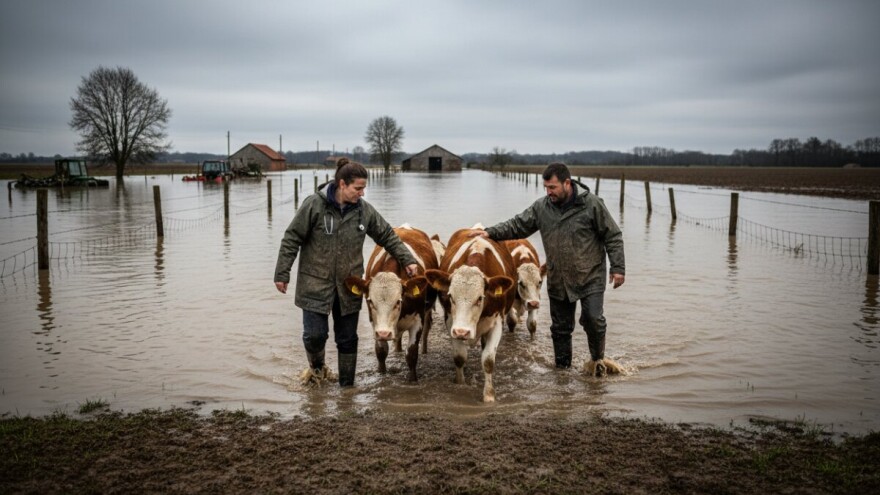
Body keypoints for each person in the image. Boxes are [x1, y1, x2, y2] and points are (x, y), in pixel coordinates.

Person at [274, 158, 419, 387]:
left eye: (363, 188)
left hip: (348, 285)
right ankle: (317, 372)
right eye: (358, 188)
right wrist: (282, 273)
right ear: (342, 184)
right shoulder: (314, 205)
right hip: (314, 284)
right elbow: (292, 238)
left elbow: (387, 236)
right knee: (314, 336)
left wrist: (407, 259)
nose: (362, 193)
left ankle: (347, 388)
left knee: (348, 339)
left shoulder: (364, 211)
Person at [471, 162, 625, 376]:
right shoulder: (542, 207)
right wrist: (490, 232)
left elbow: (613, 235)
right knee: (560, 328)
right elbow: (518, 225)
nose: (548, 192)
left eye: (552, 187)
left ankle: (597, 361)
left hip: (590, 276)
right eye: (546, 188)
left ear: (567, 183)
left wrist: (618, 267)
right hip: (558, 278)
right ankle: (562, 373)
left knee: (593, 319)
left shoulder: (591, 204)